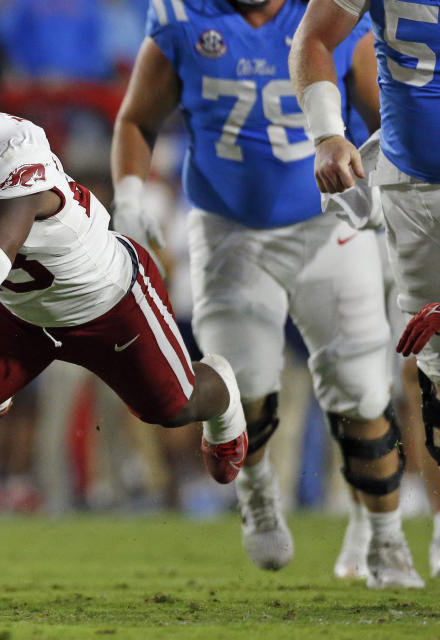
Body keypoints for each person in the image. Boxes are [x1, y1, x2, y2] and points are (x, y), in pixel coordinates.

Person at [0, 49, 247, 525]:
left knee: (173, 407)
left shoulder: (13, 147)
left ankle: (222, 391)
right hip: (22, 317)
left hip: (108, 301)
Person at [114, 0, 421, 589]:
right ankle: (257, 496)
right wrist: (129, 199)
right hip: (229, 228)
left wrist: (394, 187)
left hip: (329, 222)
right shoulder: (183, 16)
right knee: (240, 386)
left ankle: (385, 538)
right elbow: (136, 119)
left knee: (361, 388)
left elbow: (389, 118)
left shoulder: (329, 14)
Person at [290, 0, 440, 581]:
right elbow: (317, 41)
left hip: (393, 194)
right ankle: (381, 527)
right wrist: (328, 134)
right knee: (396, 372)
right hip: (399, 196)